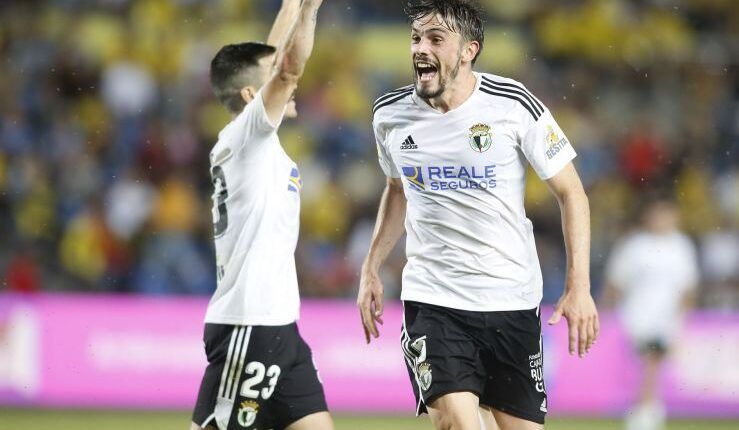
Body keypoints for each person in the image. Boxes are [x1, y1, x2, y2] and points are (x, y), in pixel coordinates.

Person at [356, 1, 599, 429]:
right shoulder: (389, 115)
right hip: (435, 299)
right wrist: (371, 268)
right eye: (416, 38)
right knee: (457, 421)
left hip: (512, 299)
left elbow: (571, 193)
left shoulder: (514, 105)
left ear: (469, 50)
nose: (420, 49)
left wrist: (579, 286)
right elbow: (397, 190)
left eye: (435, 39)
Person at [191, 1, 334, 429]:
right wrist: (311, 11)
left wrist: (293, 3)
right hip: (248, 325)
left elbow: (274, 58)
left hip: (281, 328)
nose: (292, 84)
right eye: (273, 80)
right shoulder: (248, 136)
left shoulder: (251, 138)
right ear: (252, 97)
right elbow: (286, 69)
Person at [604, 199, 699, 430]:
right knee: (648, 362)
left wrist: (681, 318)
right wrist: (607, 309)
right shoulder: (634, 245)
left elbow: (688, 287)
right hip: (636, 316)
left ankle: (645, 410)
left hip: (666, 317)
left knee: (652, 361)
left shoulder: (681, 246)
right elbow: (616, 281)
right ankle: (648, 409)